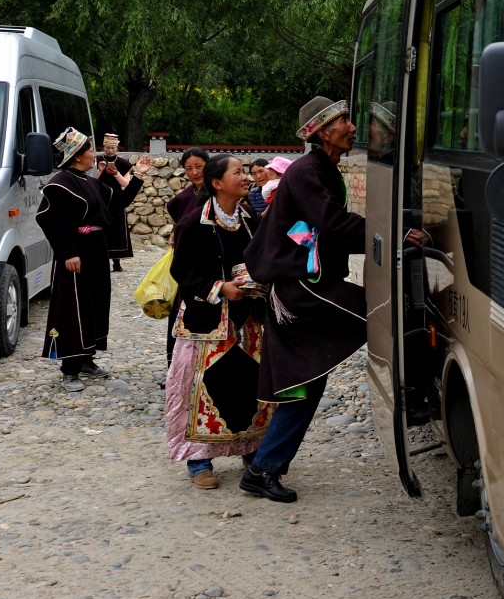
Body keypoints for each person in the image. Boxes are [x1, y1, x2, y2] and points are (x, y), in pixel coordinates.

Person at [240, 96, 425, 502]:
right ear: (323, 131)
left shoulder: (322, 169)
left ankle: (264, 464)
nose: (353, 127)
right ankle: (417, 392)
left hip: (307, 281)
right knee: (377, 314)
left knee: (307, 380)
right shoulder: (309, 171)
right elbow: (332, 223)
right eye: (344, 120)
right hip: (302, 287)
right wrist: (393, 234)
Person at [165, 155, 272, 489]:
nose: (246, 178)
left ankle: (250, 448)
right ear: (217, 183)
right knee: (199, 387)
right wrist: (219, 288)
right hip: (206, 320)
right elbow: (181, 271)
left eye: (245, 172)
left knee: (245, 382)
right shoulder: (193, 223)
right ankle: (198, 460)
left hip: (246, 318)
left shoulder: (249, 218)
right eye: (238, 173)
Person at [37, 128, 150, 391]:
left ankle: (87, 357)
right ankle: (70, 367)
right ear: (77, 156)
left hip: (97, 250)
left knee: (95, 302)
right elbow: (55, 221)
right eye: (89, 150)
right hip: (76, 253)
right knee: (73, 306)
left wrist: (138, 177)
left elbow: (119, 201)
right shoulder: (60, 183)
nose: (93, 154)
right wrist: (68, 252)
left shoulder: (91, 182)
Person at [162, 146, 211, 367]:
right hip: (189, 266)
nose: (194, 172)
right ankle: (177, 367)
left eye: (198, 167)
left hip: (213, 265)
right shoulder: (181, 200)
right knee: (182, 311)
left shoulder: (220, 192)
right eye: (189, 168)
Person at [97, 133, 134, 272]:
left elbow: (126, 184)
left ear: (117, 148)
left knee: (116, 229)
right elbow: (92, 180)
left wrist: (116, 174)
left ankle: (117, 262)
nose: (110, 150)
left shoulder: (123, 163)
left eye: (113, 147)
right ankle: (102, 260)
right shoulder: (97, 160)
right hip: (100, 198)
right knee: (101, 229)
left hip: (117, 199)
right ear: (103, 147)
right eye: (108, 147)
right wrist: (100, 170)